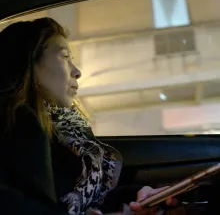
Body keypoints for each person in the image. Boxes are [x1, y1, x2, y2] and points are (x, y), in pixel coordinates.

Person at [0, 17, 179, 215]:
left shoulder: (65, 131)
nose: (77, 72)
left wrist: (137, 197)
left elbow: (91, 198)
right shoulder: (14, 127)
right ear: (28, 62)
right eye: (64, 57)